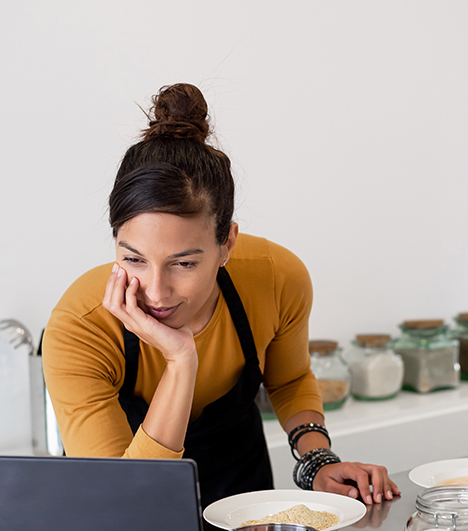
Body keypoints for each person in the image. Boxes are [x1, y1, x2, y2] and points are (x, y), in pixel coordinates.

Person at [42, 83, 399, 508]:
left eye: (184, 263)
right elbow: (126, 499)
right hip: (125, 506)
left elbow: (288, 379)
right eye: (133, 259)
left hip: (239, 486)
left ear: (227, 244)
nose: (156, 292)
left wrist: (317, 460)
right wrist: (179, 360)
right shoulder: (80, 327)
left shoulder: (275, 277)